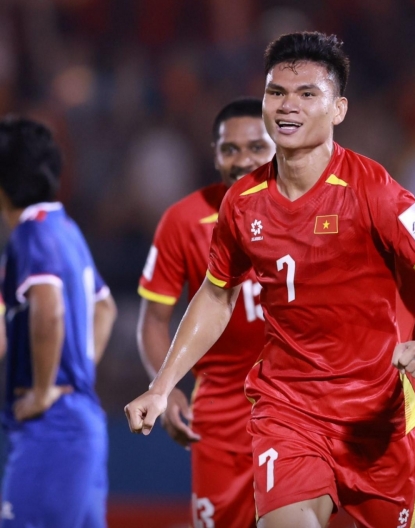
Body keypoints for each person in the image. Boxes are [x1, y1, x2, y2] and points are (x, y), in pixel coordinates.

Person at [125, 31, 415, 528]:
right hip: (288, 408)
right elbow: (216, 293)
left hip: (377, 415)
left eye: (308, 94)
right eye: (277, 93)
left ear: (338, 109)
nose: (288, 106)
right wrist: (162, 387)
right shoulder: (243, 202)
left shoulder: (374, 189)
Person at [137, 98, 276, 528]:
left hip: (299, 406)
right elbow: (153, 321)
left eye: (256, 147)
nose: (241, 160)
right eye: (229, 149)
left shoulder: (314, 213)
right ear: (214, 153)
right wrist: (170, 389)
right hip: (220, 416)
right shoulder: (183, 221)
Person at [0, 116, 117, 528]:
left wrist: (45, 389)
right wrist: (77, 373)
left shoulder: (30, 233)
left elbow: (49, 309)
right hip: (81, 418)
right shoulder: (65, 229)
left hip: (51, 427)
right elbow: (105, 309)